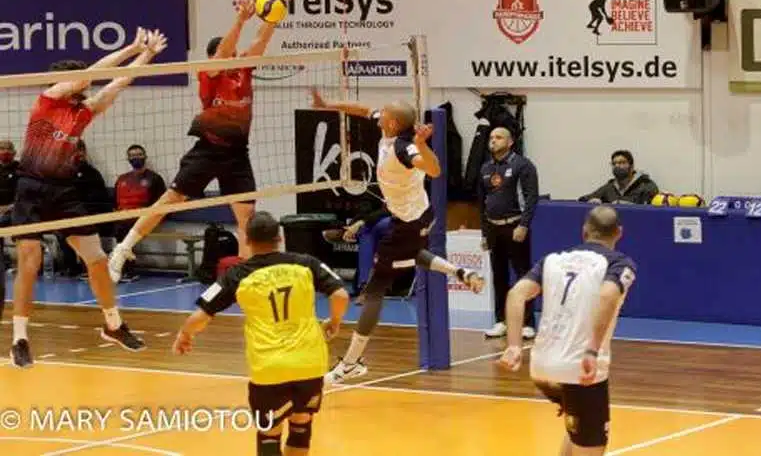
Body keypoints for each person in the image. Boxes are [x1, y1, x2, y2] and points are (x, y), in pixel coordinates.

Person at [9, 28, 167, 368]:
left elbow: (119, 82)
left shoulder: (83, 112)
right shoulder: (47, 100)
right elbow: (91, 75)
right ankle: (20, 338)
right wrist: (131, 47)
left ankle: (113, 325)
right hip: (31, 187)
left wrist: (147, 55)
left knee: (96, 260)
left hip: (64, 190)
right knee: (30, 262)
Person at [310, 89, 484, 384]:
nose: (378, 115)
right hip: (418, 216)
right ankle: (460, 272)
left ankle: (351, 363)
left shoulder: (405, 148)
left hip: (408, 222)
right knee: (412, 254)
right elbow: (363, 109)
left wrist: (421, 145)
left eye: (385, 114)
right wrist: (327, 105)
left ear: (392, 123)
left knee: (374, 292)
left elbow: (434, 170)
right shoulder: (390, 130)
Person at [109, 0, 282, 282]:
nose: (234, 56)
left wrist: (272, 20)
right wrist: (240, 21)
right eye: (228, 53)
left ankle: (247, 274)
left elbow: (259, 44)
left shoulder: (243, 70)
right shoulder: (208, 74)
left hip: (237, 153)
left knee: (247, 216)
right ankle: (123, 248)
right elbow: (223, 52)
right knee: (171, 199)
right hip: (208, 149)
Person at [173, 211, 349, 456]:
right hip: (309, 363)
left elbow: (200, 316)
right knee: (301, 426)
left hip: (269, 368)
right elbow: (340, 295)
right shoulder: (306, 263)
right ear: (280, 237)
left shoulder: (237, 274)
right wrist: (335, 321)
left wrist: (185, 335)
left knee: (269, 434)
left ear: (247, 240)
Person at [497, 206, 636, 455]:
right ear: (619, 233)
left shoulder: (553, 260)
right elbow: (608, 296)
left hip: (542, 369)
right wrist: (592, 350)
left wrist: (514, 345)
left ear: (584, 231)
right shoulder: (618, 263)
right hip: (581, 369)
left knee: (576, 429)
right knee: (591, 446)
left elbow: (516, 294)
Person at [478, 126, 538, 339]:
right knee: (498, 276)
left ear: (510, 142)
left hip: (515, 227)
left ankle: (527, 323)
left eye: (499, 137)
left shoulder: (523, 165)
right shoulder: (485, 167)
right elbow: (482, 202)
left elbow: (531, 198)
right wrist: (484, 233)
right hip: (493, 228)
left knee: (523, 275)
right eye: (491, 137)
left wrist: (523, 225)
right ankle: (501, 321)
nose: (493, 141)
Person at [59, 139, 114, 278]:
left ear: (84, 152)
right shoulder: (64, 173)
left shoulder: (92, 173)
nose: (77, 154)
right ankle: (71, 268)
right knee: (61, 231)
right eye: (73, 150)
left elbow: (99, 199)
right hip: (71, 215)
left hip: (90, 214)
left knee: (83, 230)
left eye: (80, 150)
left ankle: (90, 267)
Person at [113, 144, 167, 281]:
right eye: (132, 156)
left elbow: (162, 203)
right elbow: (114, 202)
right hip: (122, 218)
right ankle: (119, 268)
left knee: (125, 229)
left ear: (145, 157)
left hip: (143, 219)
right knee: (118, 227)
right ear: (128, 159)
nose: (136, 158)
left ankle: (127, 270)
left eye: (139, 155)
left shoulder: (154, 178)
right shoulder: (122, 179)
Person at [578, 150, 658, 205]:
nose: (617, 166)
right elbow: (583, 199)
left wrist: (630, 205)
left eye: (621, 162)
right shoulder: (609, 187)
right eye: (614, 163)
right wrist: (592, 200)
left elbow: (655, 209)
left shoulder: (647, 185)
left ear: (632, 166)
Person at [0, 140, 19, 324]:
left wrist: (9, 207)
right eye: (2, 149)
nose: (5, 152)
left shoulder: (20, 169)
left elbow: (23, 195)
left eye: (8, 149)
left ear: (14, 152)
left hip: (15, 211)